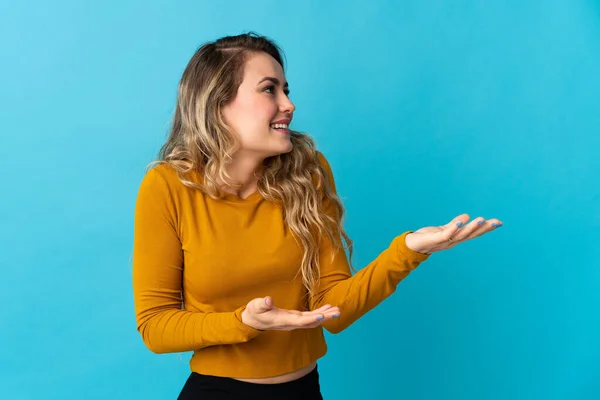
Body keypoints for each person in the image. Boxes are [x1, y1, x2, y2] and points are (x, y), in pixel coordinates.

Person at [132, 32, 503, 400]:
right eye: (269, 89)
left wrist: (408, 250)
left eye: (286, 90)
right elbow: (155, 326)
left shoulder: (306, 173)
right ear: (218, 105)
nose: (288, 104)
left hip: (305, 390)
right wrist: (242, 322)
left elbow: (335, 310)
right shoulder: (167, 187)